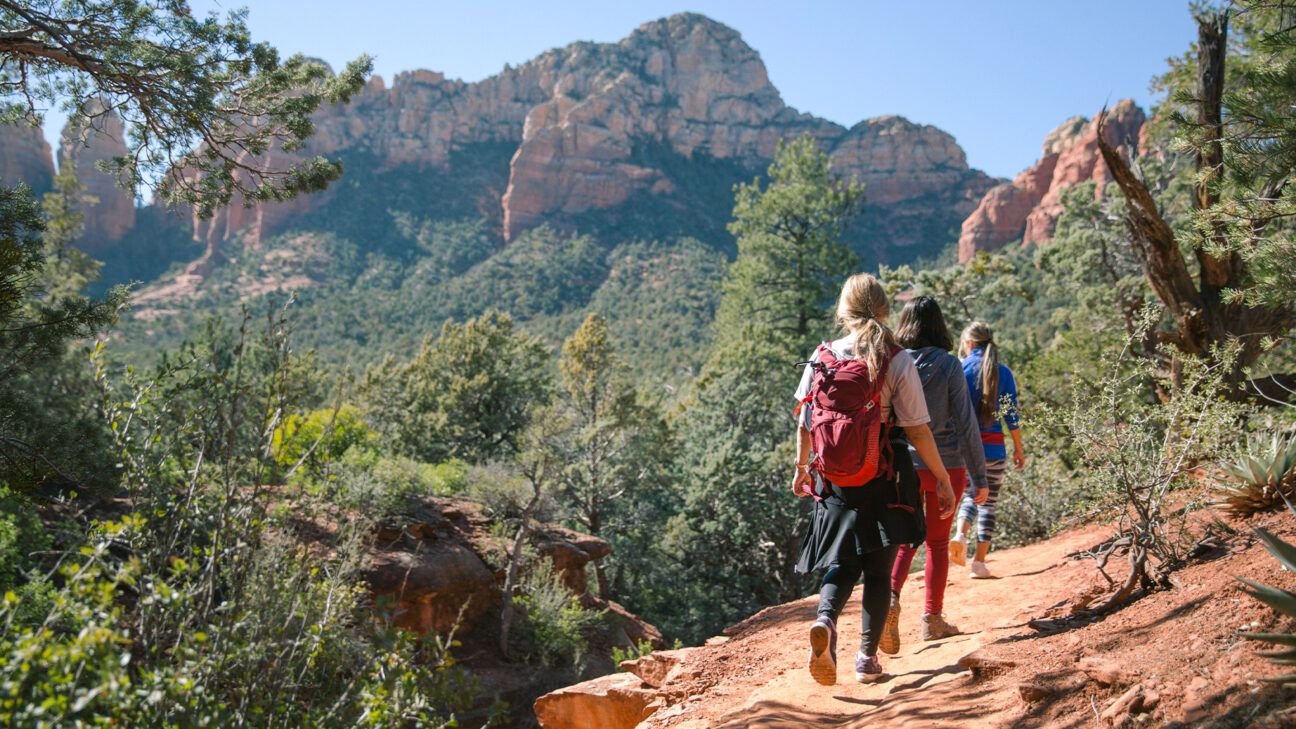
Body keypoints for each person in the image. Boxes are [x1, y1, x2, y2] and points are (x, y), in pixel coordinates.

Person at [793, 274, 955, 685]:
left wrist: (801, 470)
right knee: (878, 569)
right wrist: (942, 478)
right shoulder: (895, 358)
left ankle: (826, 624)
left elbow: (806, 421)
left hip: (834, 479)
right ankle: (866, 659)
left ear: (843, 312)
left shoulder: (822, 355)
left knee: (843, 563)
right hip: (885, 472)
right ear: (885, 310)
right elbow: (918, 427)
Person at [883, 297, 989, 653]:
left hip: (905, 466)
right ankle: (933, 619)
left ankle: (891, 601)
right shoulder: (948, 364)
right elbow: (966, 421)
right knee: (938, 544)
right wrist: (980, 477)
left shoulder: (895, 362)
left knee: (905, 539)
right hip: (948, 466)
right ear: (939, 325)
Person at [951, 321, 1025, 579]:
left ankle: (960, 533)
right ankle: (979, 563)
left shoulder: (959, 369)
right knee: (989, 502)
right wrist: (1018, 448)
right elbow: (1011, 416)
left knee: (971, 495)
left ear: (969, 343)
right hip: (994, 447)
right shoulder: (1003, 372)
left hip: (964, 448)